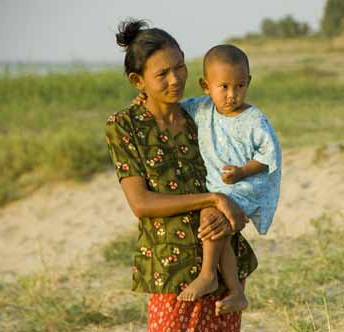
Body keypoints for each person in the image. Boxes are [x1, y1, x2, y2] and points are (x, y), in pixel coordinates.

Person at [105, 19, 258, 331]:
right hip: (170, 269)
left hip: (222, 263)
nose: (176, 79)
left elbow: (244, 169)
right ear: (138, 80)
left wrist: (236, 208)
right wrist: (213, 199)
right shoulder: (124, 126)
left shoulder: (202, 114)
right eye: (162, 74)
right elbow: (141, 203)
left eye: (180, 66)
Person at [170, 45, 282, 309]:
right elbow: (171, 109)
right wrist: (145, 100)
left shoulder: (254, 119)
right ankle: (237, 293)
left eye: (240, 86)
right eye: (224, 87)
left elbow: (269, 156)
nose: (232, 95)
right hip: (222, 187)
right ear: (206, 86)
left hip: (248, 184)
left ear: (248, 83)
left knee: (211, 217)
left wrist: (243, 170)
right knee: (220, 231)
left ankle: (208, 275)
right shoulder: (202, 108)